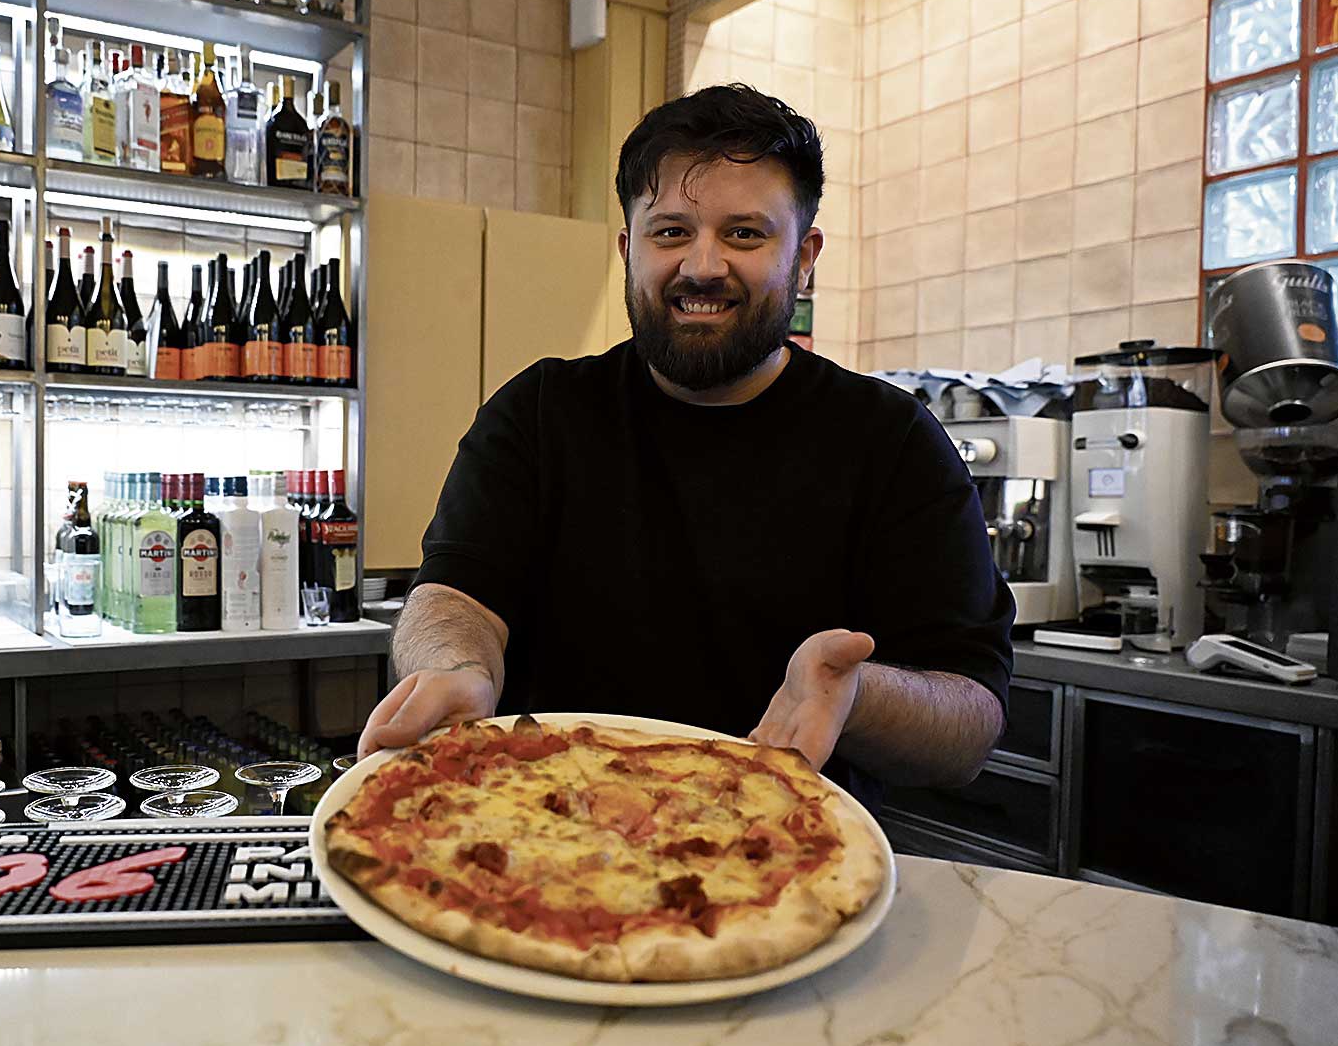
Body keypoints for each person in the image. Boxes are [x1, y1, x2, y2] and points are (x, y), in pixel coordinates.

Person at [357, 84, 1013, 805]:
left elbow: (971, 723)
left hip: (786, 861)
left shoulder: (894, 443)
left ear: (804, 257)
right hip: (543, 843)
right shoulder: (540, 412)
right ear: (628, 249)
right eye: (671, 231)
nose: (703, 266)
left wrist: (859, 696)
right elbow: (456, 597)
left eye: (744, 234)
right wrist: (455, 666)